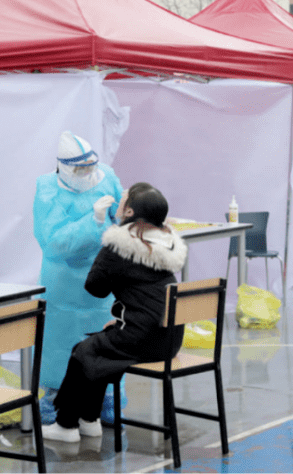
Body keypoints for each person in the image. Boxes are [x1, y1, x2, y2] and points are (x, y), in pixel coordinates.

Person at [42, 182, 188, 442]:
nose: (120, 198)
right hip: (169, 339)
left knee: (83, 351)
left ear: (130, 212)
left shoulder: (120, 244)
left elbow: (95, 288)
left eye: (126, 198)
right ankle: (89, 420)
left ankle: (66, 426)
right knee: (99, 348)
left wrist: (106, 245)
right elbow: (146, 297)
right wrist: (122, 318)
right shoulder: (166, 243)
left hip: (143, 338)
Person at [34, 130, 124, 425]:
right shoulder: (48, 189)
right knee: (60, 342)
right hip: (64, 280)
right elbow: (54, 241)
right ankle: (55, 398)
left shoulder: (106, 176)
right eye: (80, 169)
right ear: (63, 166)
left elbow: (121, 211)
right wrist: (94, 221)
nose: (87, 174)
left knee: (102, 336)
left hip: (101, 277)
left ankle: (108, 397)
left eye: (90, 166)